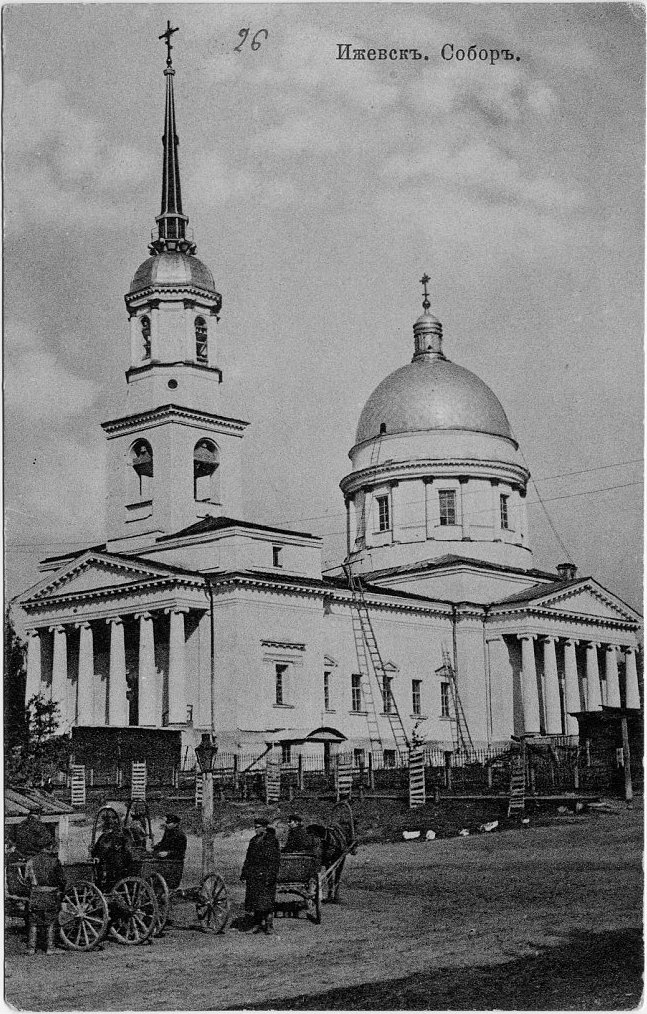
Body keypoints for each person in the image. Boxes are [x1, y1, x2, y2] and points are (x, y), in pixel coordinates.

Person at [24, 841, 67, 955]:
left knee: (33, 922)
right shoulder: (55, 861)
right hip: (50, 894)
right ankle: (50, 948)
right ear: (50, 848)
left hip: (35, 894)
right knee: (51, 921)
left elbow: (26, 879)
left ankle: (31, 948)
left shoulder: (30, 861)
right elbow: (62, 880)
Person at [240, 818, 280, 935]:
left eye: (258, 827)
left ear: (264, 827)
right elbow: (248, 858)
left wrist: (271, 875)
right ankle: (256, 925)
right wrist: (244, 872)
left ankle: (269, 925)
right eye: (255, 827)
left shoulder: (271, 840)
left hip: (266, 875)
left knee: (267, 902)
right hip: (254, 876)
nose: (256, 829)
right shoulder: (253, 840)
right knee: (255, 901)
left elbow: (275, 860)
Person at [91, 811, 133, 891]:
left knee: (98, 868)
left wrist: (97, 857)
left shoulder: (111, 835)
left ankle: (103, 889)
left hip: (114, 864)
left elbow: (104, 848)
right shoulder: (124, 833)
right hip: (122, 863)